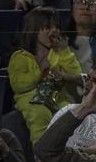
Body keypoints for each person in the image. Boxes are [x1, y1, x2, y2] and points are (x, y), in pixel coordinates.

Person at [8, 9, 81, 143]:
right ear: (33, 30)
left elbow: (76, 75)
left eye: (57, 27)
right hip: (31, 99)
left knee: (71, 112)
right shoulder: (20, 57)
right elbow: (19, 85)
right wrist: (39, 71)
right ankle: (40, 154)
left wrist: (65, 51)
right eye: (47, 27)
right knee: (39, 113)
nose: (54, 31)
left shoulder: (59, 54)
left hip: (57, 98)